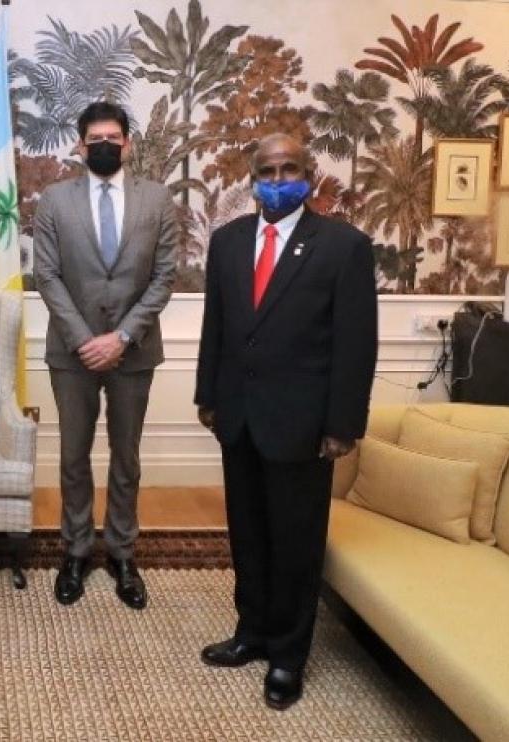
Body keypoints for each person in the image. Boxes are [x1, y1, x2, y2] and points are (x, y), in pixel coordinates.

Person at [194, 133, 378, 709]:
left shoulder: (344, 246)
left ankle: (289, 657)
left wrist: (343, 423)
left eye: (288, 168)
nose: (277, 179)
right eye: (267, 170)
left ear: (310, 174)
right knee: (248, 534)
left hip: (303, 424)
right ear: (252, 178)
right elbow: (216, 328)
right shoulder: (226, 243)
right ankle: (251, 632)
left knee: (296, 542)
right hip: (239, 418)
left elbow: (356, 345)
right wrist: (207, 395)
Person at [33, 101, 177, 611]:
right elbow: (46, 276)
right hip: (72, 355)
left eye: (113, 137)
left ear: (128, 144)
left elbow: (164, 277)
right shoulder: (53, 200)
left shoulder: (158, 200)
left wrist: (121, 337)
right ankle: (74, 550)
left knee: (126, 458)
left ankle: (120, 552)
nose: (103, 145)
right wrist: (84, 340)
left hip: (134, 352)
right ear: (79, 144)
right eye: (94, 138)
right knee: (73, 456)